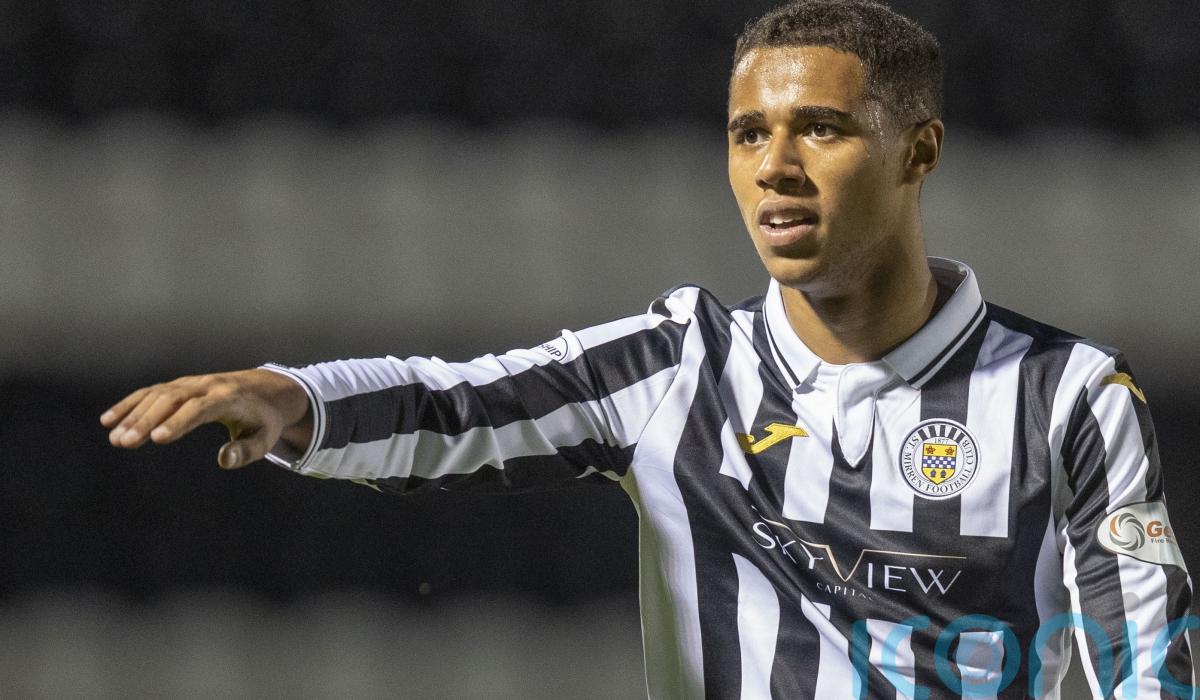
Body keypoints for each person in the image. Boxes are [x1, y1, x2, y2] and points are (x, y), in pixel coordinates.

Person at [101, 1, 1194, 697]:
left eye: (819, 128)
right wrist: (296, 398)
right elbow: (457, 407)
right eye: (748, 132)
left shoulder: (1069, 396)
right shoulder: (679, 366)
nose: (774, 166)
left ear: (919, 151)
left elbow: (1145, 661)